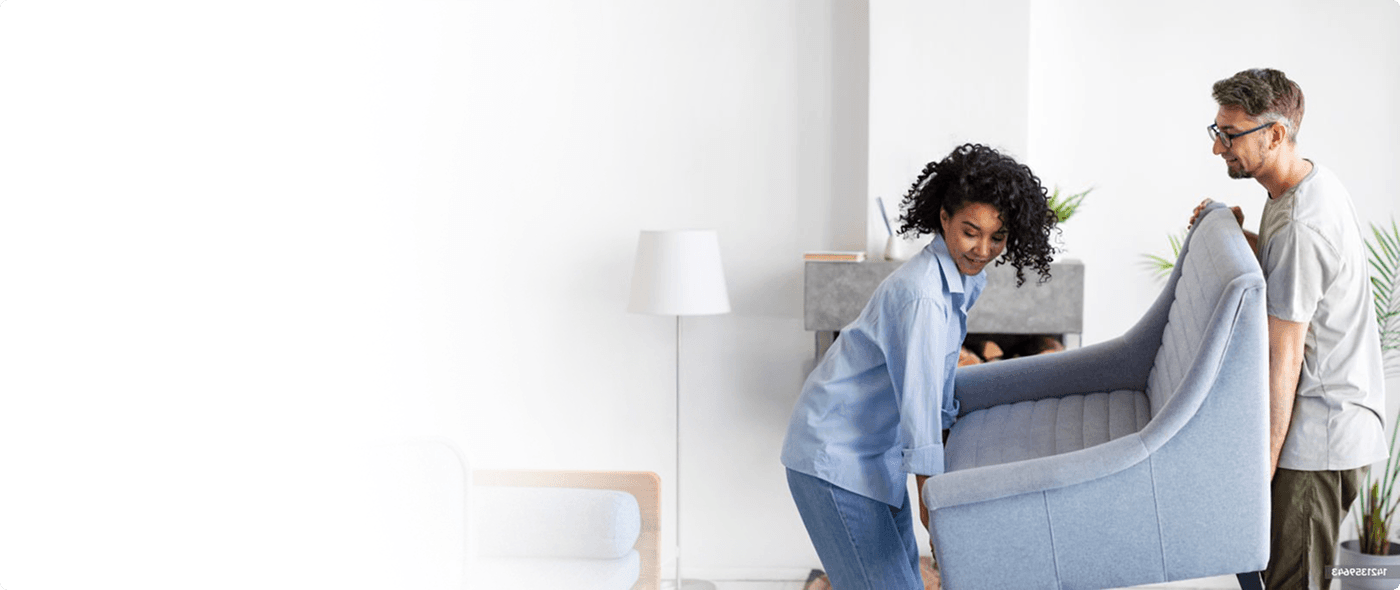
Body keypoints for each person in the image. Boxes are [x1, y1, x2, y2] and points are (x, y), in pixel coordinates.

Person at [781, 143, 1056, 589]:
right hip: (836, 457)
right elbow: (921, 407)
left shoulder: (959, 283)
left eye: (997, 237)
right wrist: (934, 504)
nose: (983, 249)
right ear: (944, 218)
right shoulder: (923, 296)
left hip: (876, 456)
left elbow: (940, 386)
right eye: (970, 232)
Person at [1190, 68, 1387, 590]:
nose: (1218, 148)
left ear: (1275, 134)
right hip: (1317, 425)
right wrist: (1238, 235)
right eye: (1217, 131)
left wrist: (1261, 470)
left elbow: (1284, 355)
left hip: (1319, 435)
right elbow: (1289, 274)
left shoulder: (1303, 220)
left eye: (1230, 135)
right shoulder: (1298, 187)